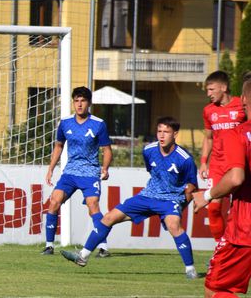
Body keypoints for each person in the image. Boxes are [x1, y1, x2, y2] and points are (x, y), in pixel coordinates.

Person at [61, 116, 199, 278]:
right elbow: (153, 173)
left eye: (166, 132)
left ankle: (190, 270)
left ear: (175, 134)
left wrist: (181, 205)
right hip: (147, 196)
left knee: (174, 225)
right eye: (159, 131)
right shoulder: (149, 150)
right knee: (108, 218)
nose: (161, 135)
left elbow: (192, 186)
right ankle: (82, 256)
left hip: (170, 199)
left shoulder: (185, 159)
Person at [193, 79, 251, 298]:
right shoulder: (211, 113)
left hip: (245, 229)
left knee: (214, 291)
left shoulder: (237, 134)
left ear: (245, 102)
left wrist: (206, 194)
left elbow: (236, 177)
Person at [41, 87, 113, 256]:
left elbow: (107, 150)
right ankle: (49, 245)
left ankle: (103, 247)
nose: (79, 104)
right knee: (54, 202)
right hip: (70, 172)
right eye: (76, 101)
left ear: (89, 103)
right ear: (73, 102)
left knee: (93, 206)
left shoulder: (98, 124)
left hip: (90, 173)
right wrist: (51, 168)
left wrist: (105, 168)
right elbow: (58, 146)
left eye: (83, 101)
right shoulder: (65, 122)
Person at [199, 70, 246, 244]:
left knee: (238, 209)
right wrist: (204, 162)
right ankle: (220, 246)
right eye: (207, 90)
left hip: (238, 164)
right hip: (217, 165)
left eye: (211, 89)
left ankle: (238, 244)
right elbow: (208, 138)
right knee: (213, 207)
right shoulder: (208, 111)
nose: (208, 94)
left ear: (224, 87)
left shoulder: (242, 105)